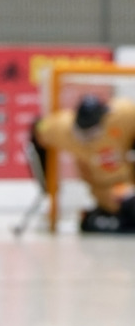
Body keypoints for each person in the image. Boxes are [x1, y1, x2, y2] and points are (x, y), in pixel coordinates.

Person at [31, 93, 135, 232]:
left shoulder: (122, 115)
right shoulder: (62, 127)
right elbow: (38, 128)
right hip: (104, 188)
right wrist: (47, 183)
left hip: (127, 180)